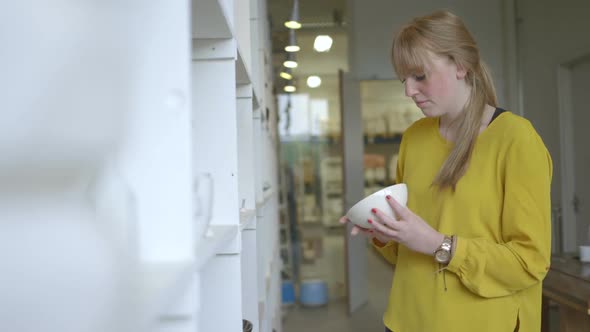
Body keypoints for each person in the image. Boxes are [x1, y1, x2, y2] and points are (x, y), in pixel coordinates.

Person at [340, 10, 552, 332]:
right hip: (405, 320)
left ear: (461, 66)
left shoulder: (516, 140)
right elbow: (409, 256)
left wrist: (441, 245)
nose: (409, 91)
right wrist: (387, 235)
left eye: (420, 76)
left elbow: (529, 264)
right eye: (404, 80)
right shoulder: (414, 138)